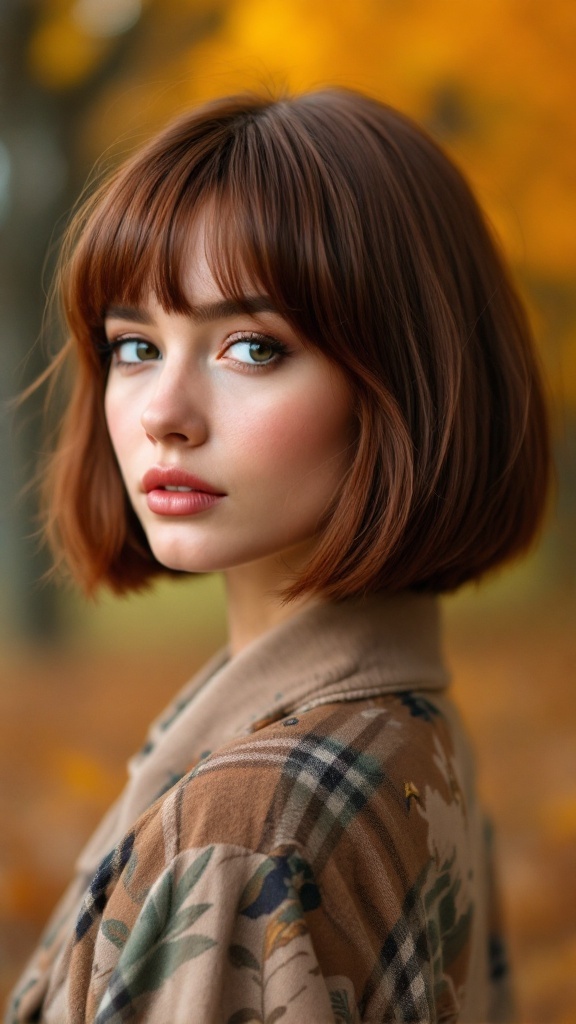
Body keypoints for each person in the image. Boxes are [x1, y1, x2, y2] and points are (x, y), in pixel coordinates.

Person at [7, 87, 550, 1023]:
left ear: (407, 381)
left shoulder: (250, 830)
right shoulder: (412, 725)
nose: (163, 414)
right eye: (135, 346)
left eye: (253, 348)